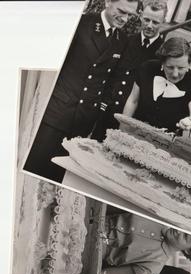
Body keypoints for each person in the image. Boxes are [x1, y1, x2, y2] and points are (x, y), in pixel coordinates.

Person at [24, 0, 139, 182]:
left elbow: (112, 82)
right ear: (108, 2)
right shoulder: (81, 23)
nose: (125, 19)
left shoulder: (121, 40)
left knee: (57, 177)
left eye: (130, 15)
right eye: (121, 11)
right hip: (57, 112)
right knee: (34, 169)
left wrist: (98, 109)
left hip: (83, 121)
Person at [91, 0, 167, 141]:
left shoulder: (163, 55)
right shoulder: (125, 41)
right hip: (109, 110)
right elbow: (111, 74)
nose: (149, 25)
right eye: (146, 20)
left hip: (134, 119)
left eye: (155, 22)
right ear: (140, 16)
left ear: (163, 22)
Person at [122, 37, 191, 133]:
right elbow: (133, 101)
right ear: (162, 62)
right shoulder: (147, 68)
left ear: (189, 65)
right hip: (134, 131)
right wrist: (123, 127)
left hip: (165, 142)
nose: (175, 74)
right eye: (170, 67)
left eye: (181, 68)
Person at [100, 212, 191, 274]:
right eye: (184, 228)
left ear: (189, 251)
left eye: (185, 236)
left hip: (92, 247)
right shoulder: (160, 215)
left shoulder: (152, 268)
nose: (179, 231)